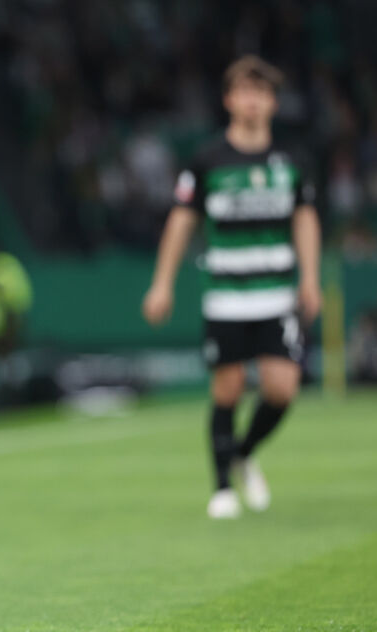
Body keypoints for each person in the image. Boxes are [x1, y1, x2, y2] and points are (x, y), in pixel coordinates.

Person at [143, 55, 321, 519]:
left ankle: (242, 452)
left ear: (274, 103)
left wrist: (311, 279)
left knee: (282, 389)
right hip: (226, 296)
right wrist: (162, 284)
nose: (253, 100)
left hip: (277, 293)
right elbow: (180, 223)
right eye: (244, 91)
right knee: (229, 388)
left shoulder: (291, 160)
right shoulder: (207, 159)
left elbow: (305, 219)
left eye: (261, 92)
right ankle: (222, 487)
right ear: (228, 100)